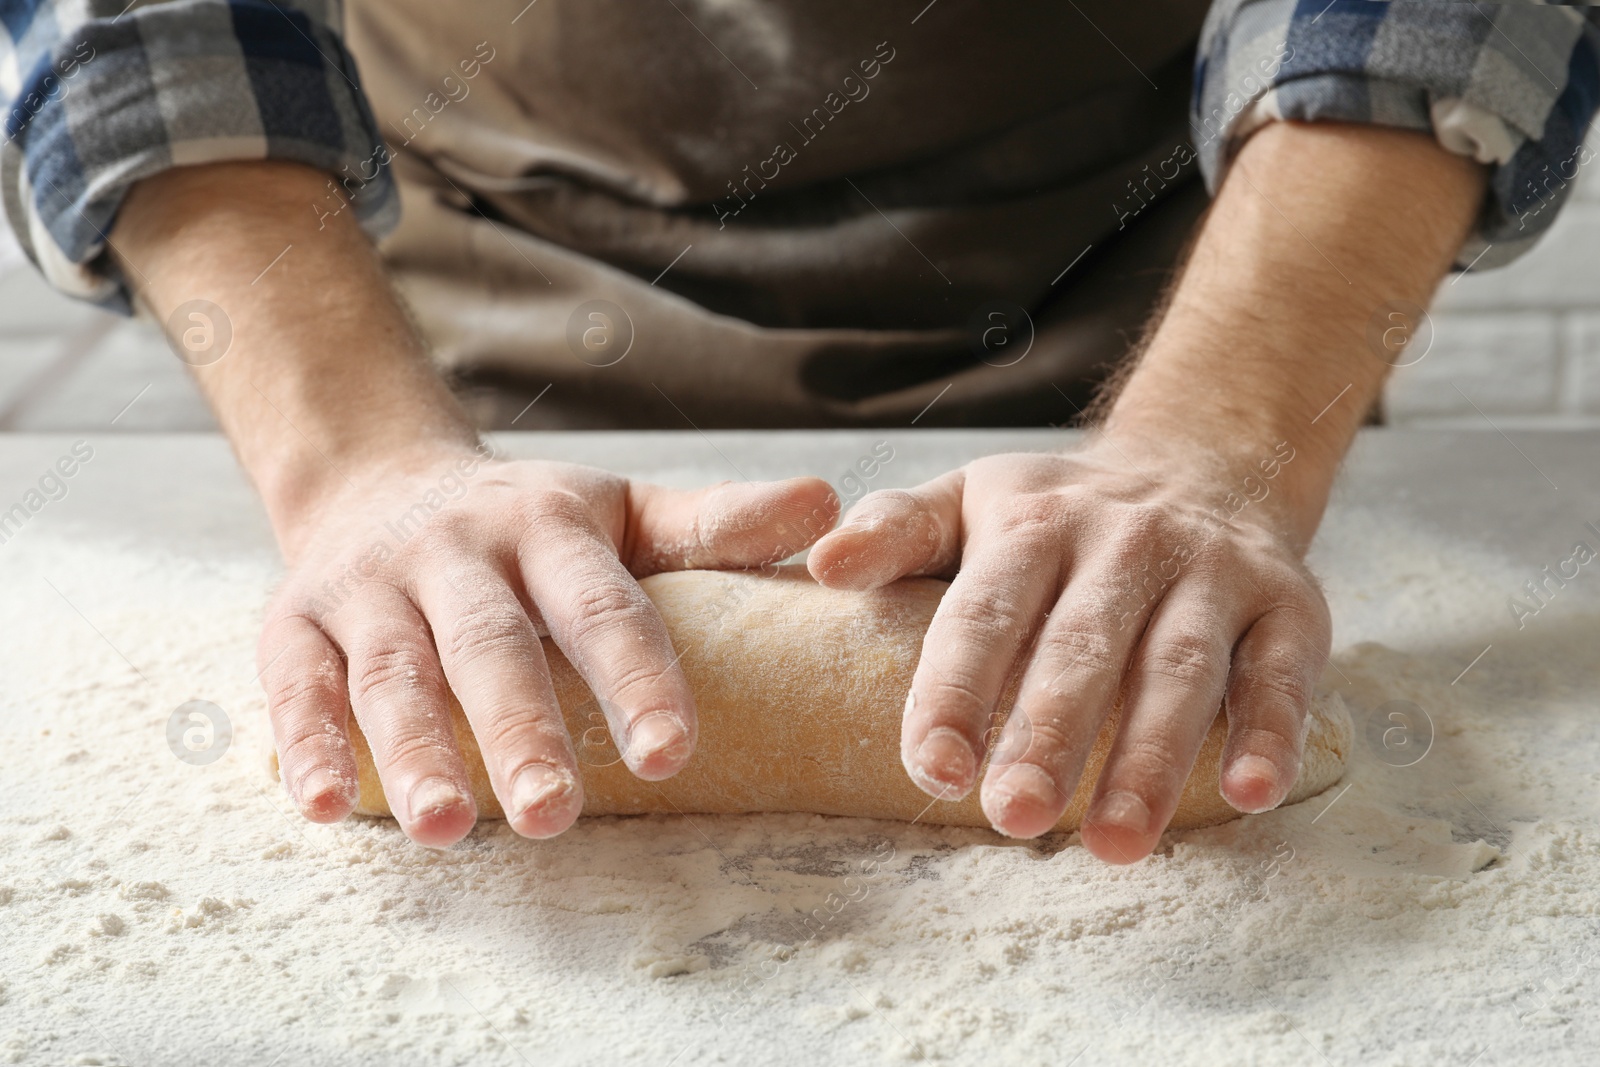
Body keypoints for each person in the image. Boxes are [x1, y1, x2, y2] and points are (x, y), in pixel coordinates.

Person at [3, 0, 1593, 862]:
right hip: (478, 303)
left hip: (1149, 292)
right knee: (457, 658)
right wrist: (359, 463)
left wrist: (1217, 447)